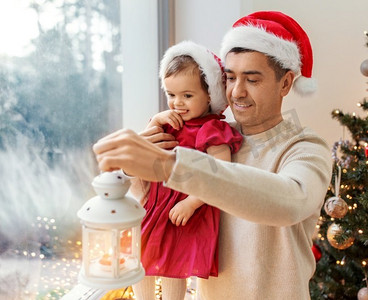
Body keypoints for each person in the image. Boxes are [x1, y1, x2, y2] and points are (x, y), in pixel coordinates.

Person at [93, 11, 332, 300]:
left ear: (285, 83)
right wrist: (137, 166)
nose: (237, 92)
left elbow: (289, 202)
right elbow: (148, 202)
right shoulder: (206, 137)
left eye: (252, 80)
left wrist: (172, 166)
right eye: (230, 78)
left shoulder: (305, 147)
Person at [131, 41, 243, 300]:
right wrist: (154, 124)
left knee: (174, 267)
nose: (177, 103)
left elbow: (222, 174)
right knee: (140, 260)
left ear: (210, 95)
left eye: (187, 95)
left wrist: (192, 203)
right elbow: (138, 156)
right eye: (171, 95)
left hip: (185, 208)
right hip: (156, 205)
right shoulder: (168, 122)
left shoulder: (211, 130)